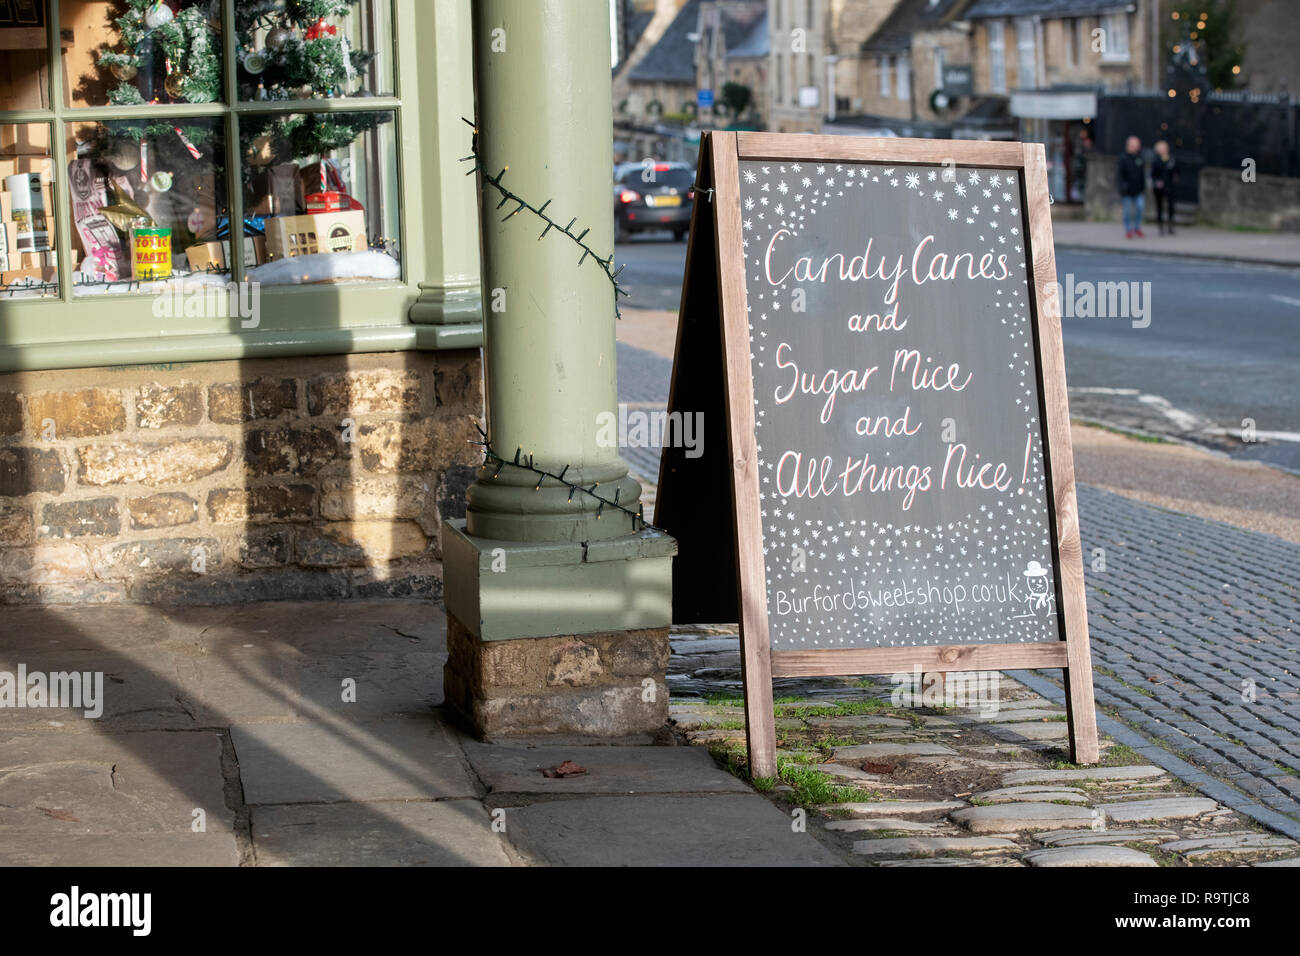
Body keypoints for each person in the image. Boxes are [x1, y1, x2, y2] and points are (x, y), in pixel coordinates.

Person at [1116, 136, 1147, 239]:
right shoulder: (1123, 158)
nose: (1136, 147)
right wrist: (1123, 187)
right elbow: (1119, 175)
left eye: (1137, 145)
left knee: (1140, 207)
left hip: (1138, 190)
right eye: (1134, 145)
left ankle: (1137, 227)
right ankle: (1128, 230)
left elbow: (1142, 174)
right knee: (1127, 212)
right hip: (1127, 191)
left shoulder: (1140, 157)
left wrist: (1143, 187)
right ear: (1128, 146)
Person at [1151, 140, 1178, 235]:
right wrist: (1157, 182)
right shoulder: (1156, 160)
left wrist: (1174, 179)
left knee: (1171, 206)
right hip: (1159, 188)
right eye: (1161, 148)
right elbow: (1153, 174)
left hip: (1170, 186)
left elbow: (1176, 171)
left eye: (1165, 148)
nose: (1163, 150)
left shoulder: (1171, 159)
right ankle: (1161, 227)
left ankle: (1171, 226)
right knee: (1159, 206)